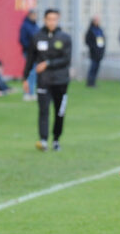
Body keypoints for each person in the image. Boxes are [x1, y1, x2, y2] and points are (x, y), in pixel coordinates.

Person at [23, 8, 72, 152]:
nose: (52, 22)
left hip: (61, 81)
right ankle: (43, 140)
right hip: (44, 81)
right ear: (44, 20)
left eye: (54, 19)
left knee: (59, 112)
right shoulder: (37, 37)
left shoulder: (65, 38)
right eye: (49, 19)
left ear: (58, 20)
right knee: (43, 110)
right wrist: (25, 77)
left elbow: (66, 59)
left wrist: (48, 64)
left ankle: (56, 140)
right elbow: (30, 59)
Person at [19, 9, 39, 100]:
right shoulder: (25, 26)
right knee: (29, 73)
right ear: (30, 15)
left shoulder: (35, 25)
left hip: (37, 53)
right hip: (28, 52)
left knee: (34, 73)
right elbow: (22, 40)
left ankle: (32, 92)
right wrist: (30, 48)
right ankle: (27, 93)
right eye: (34, 15)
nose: (35, 16)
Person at [84, 15, 105, 87]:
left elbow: (103, 40)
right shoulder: (91, 30)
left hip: (100, 52)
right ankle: (90, 83)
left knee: (96, 68)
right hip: (94, 52)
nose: (97, 22)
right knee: (93, 67)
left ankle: (93, 82)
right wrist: (93, 48)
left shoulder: (100, 29)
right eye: (96, 20)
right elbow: (87, 41)